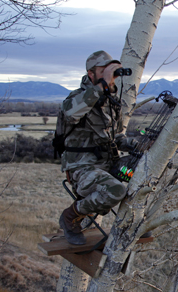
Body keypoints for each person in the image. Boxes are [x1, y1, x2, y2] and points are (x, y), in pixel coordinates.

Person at [59, 50, 137, 245]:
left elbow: (117, 137)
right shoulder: (77, 98)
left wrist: (142, 145)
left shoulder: (111, 103)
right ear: (91, 73)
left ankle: (130, 225)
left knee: (143, 174)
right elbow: (70, 114)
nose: (110, 77)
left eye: (112, 72)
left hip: (111, 167)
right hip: (82, 170)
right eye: (104, 71)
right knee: (116, 190)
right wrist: (101, 86)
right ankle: (70, 216)